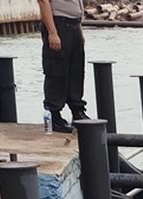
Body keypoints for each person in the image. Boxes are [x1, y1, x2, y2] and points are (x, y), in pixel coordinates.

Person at [37, 0, 86, 133]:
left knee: (76, 71)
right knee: (56, 70)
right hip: (59, 23)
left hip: (74, 24)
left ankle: (77, 111)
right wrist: (52, 32)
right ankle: (54, 115)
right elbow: (43, 2)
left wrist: (79, 30)